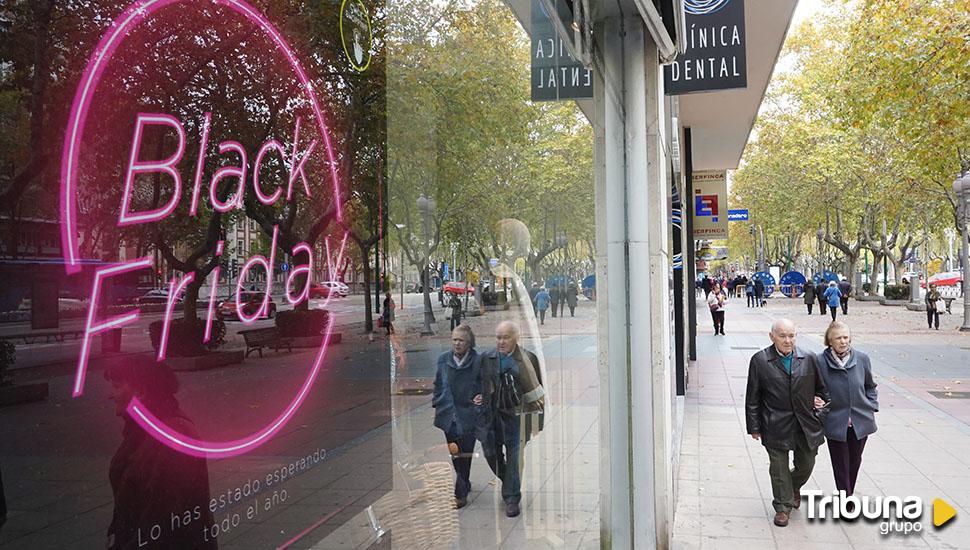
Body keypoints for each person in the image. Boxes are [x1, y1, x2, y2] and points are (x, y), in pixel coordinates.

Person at [104, 358, 216, 549]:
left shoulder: (172, 436)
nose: (111, 395)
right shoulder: (142, 430)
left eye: (116, 386)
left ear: (141, 392)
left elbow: (161, 518)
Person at [745, 318, 830, 527]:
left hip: (805, 422)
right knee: (778, 467)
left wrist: (821, 406)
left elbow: (823, 391)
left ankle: (791, 488)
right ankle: (783, 507)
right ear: (771, 336)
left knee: (806, 464)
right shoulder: (760, 360)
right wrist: (754, 427)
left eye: (791, 335)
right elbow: (752, 397)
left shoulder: (809, 358)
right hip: (774, 422)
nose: (787, 340)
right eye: (782, 335)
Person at [478, 321, 544, 518]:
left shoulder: (527, 358)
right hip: (492, 419)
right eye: (498, 337)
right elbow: (477, 384)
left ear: (516, 337)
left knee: (515, 459)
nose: (501, 341)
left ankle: (512, 498)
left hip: (516, 419)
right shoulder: (486, 358)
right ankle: (509, 481)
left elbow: (537, 393)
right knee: (491, 454)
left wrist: (536, 424)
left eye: (506, 337)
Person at [818, 321, 878, 497]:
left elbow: (870, 386)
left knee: (855, 461)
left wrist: (872, 405)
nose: (843, 341)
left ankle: (846, 493)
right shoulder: (819, 361)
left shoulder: (862, 359)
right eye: (838, 338)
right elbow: (815, 388)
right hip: (835, 420)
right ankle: (846, 497)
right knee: (840, 462)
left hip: (861, 419)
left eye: (846, 337)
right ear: (829, 340)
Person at [432, 325, 483, 509]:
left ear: (469, 342)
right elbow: (438, 383)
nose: (457, 343)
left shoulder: (478, 361)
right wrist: (437, 401)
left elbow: (486, 384)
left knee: (465, 455)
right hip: (448, 416)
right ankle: (464, 481)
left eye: (461, 340)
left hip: (469, 416)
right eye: (454, 339)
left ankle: (460, 493)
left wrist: (482, 396)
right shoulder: (443, 360)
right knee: (455, 454)